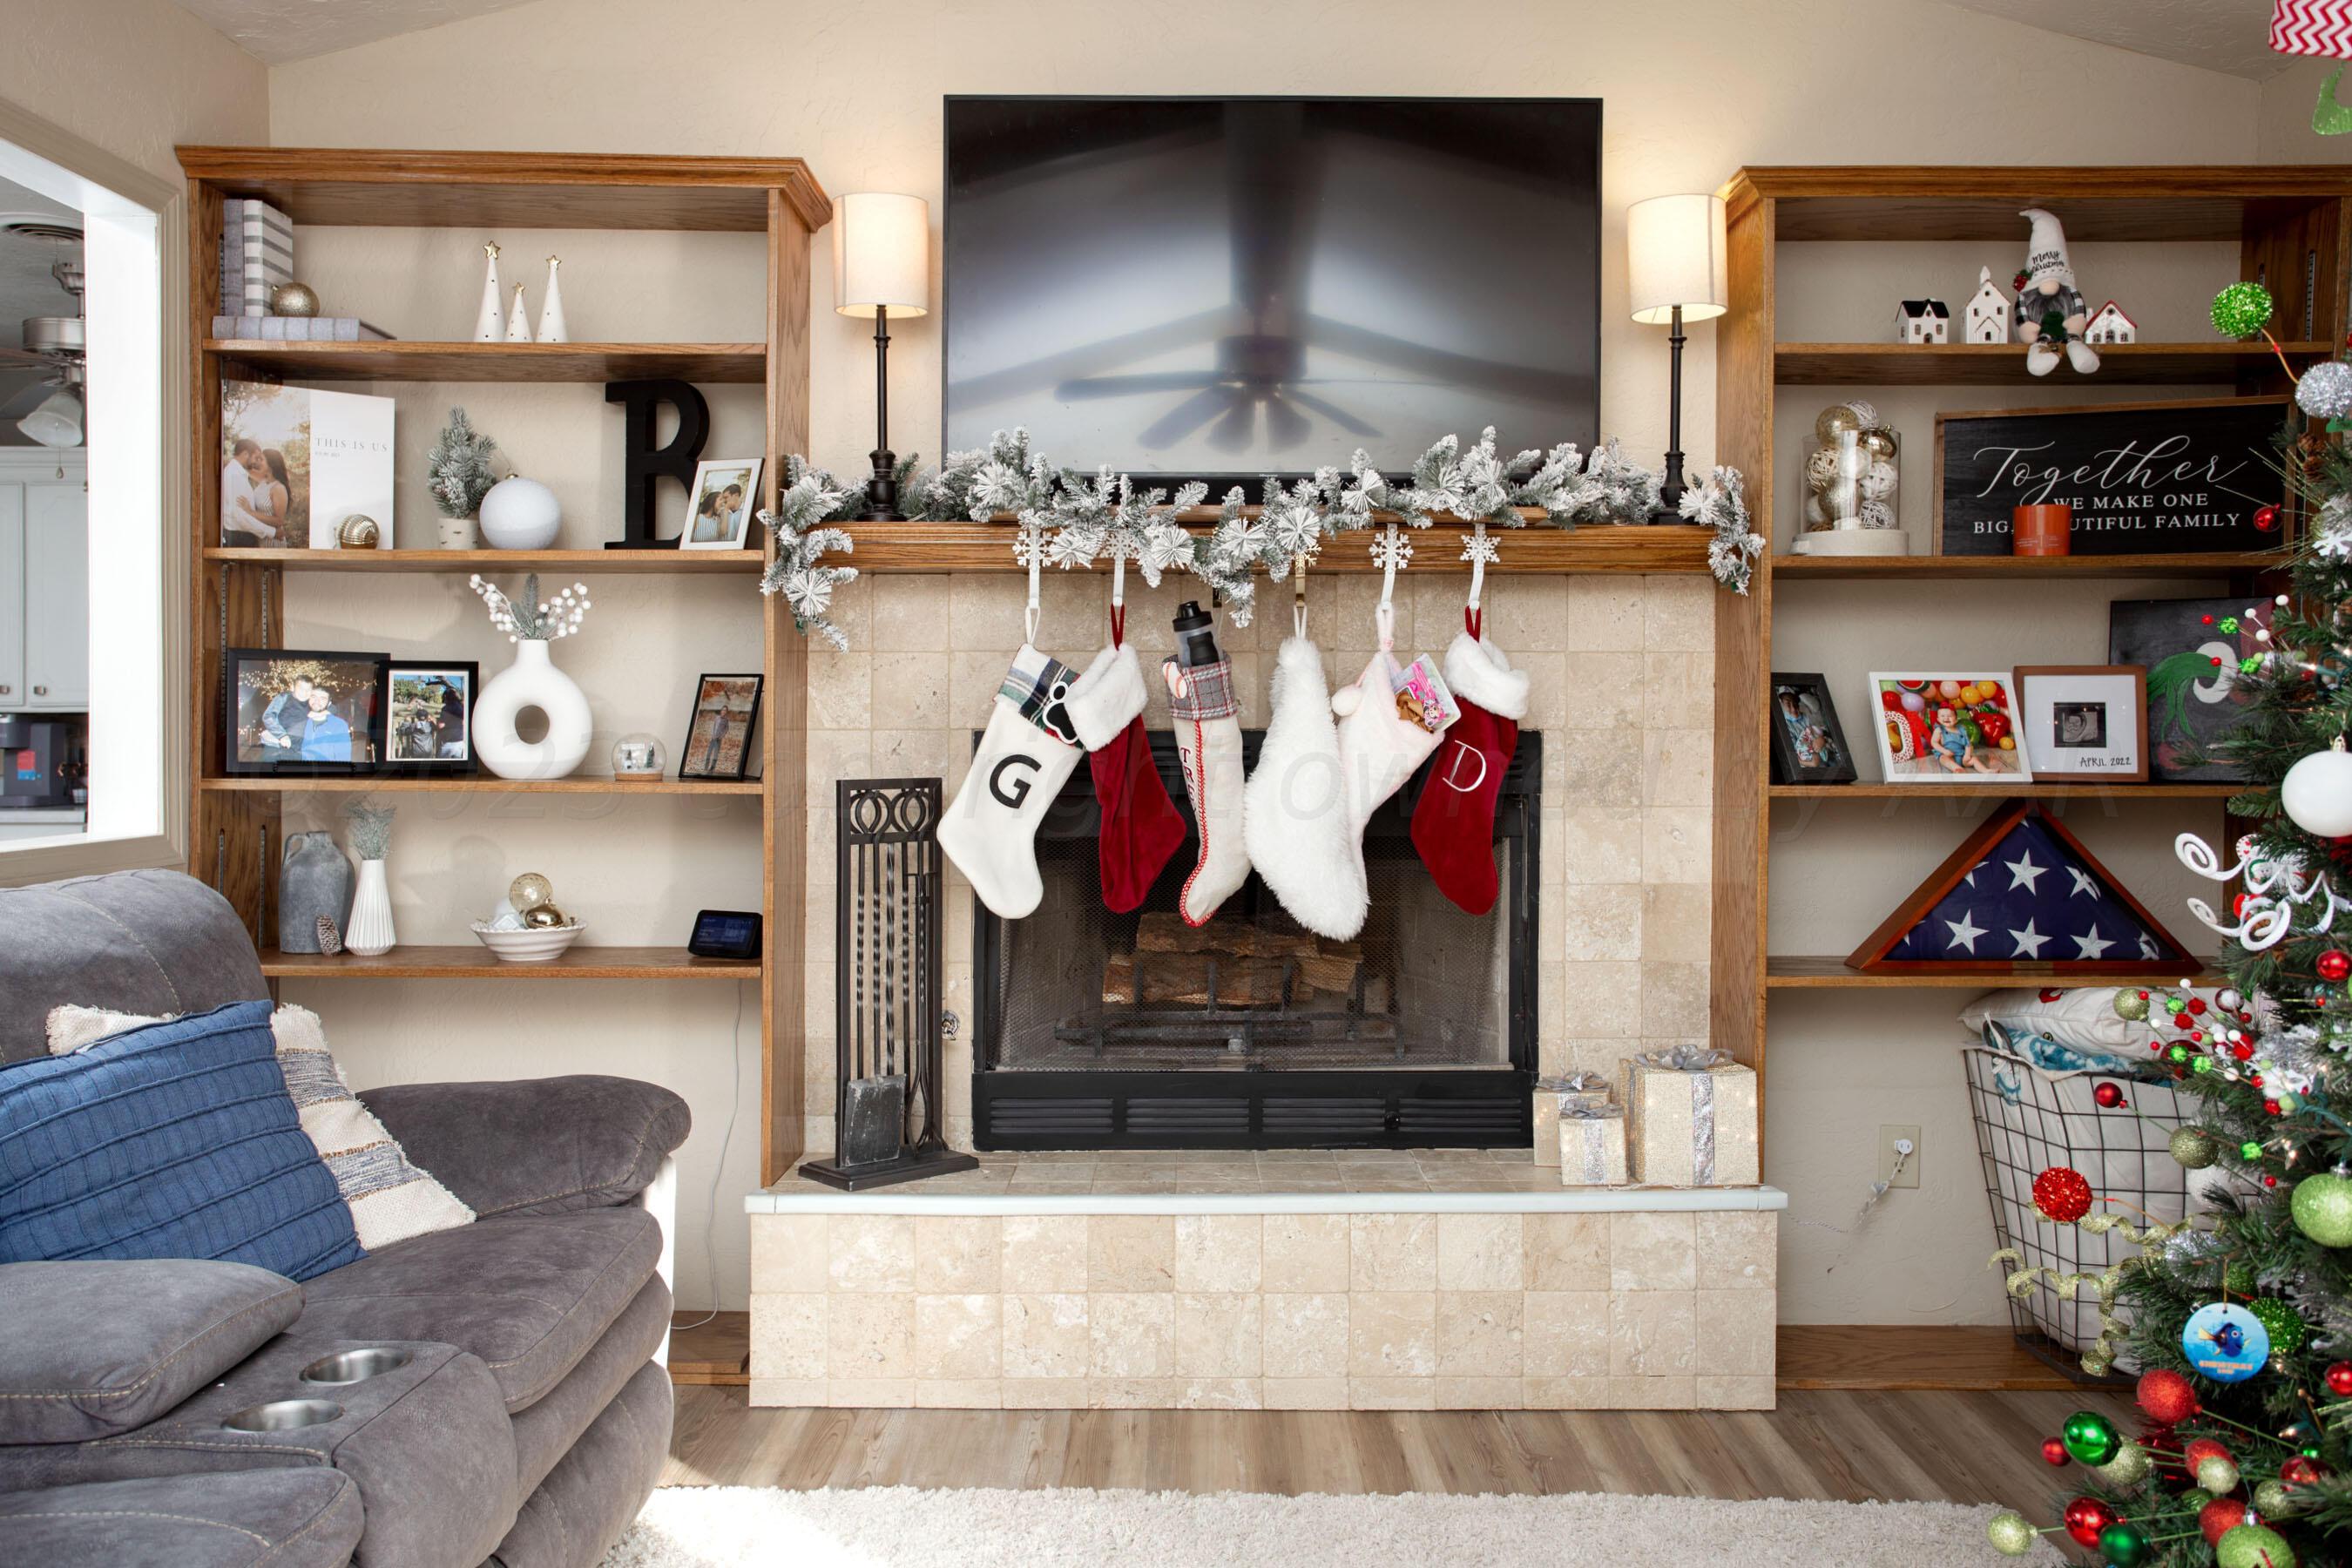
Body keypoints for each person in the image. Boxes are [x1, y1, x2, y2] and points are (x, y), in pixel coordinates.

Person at [233, 449, 294, 546]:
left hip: (273, 541)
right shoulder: (263, 481)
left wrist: (250, 512)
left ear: (271, 464)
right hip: (260, 537)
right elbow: (241, 468)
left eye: (261, 459)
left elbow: (279, 521)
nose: (258, 462)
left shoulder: (278, 488)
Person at [221, 437, 274, 544]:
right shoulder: (234, 475)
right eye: (256, 457)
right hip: (240, 538)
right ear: (245, 454)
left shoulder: (237, 473)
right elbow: (240, 517)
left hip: (242, 535)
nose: (256, 462)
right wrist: (272, 532)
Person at [1929, 705, 1999, 774]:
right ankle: (1957, 769)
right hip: (1949, 755)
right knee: (1943, 759)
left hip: (1962, 756)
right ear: (1938, 719)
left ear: (1956, 719)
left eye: (1950, 716)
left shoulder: (1961, 729)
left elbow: (1968, 744)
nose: (1946, 718)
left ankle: (1985, 770)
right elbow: (1934, 742)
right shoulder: (1939, 730)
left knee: (1974, 759)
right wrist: (1944, 751)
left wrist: (1967, 755)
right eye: (1943, 716)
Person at [294, 686, 353, 762]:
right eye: (313, 697)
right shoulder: (301, 720)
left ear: (329, 703)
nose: (317, 701)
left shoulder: (339, 725)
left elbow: (343, 758)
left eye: (322, 699)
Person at [257, 674, 314, 752]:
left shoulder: (313, 702)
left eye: (308, 689)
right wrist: (282, 735)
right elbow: (269, 716)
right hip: (281, 743)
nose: (305, 692)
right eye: (301, 688)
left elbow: (329, 707)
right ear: (292, 688)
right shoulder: (284, 697)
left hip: (301, 746)